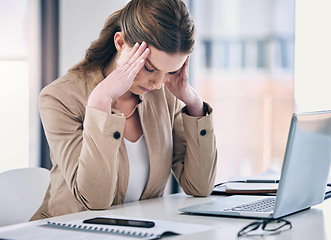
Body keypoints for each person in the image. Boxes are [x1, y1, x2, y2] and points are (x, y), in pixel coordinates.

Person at [31, 0, 217, 220]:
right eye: (149, 68)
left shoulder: (163, 94)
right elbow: (95, 200)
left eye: (169, 72)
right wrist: (101, 102)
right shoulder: (60, 98)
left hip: (139, 230)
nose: (157, 83)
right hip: (68, 230)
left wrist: (195, 106)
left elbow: (200, 186)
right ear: (120, 43)